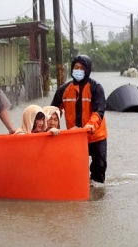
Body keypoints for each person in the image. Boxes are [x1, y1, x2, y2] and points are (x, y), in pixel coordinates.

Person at [51, 55, 108, 184]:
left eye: (82, 68)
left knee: (99, 169)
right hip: (74, 136)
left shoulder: (96, 88)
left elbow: (99, 111)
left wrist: (90, 126)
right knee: (74, 169)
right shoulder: (63, 90)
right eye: (76, 67)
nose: (78, 70)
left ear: (87, 70)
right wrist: (50, 125)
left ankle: (96, 196)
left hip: (96, 136)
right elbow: (53, 112)